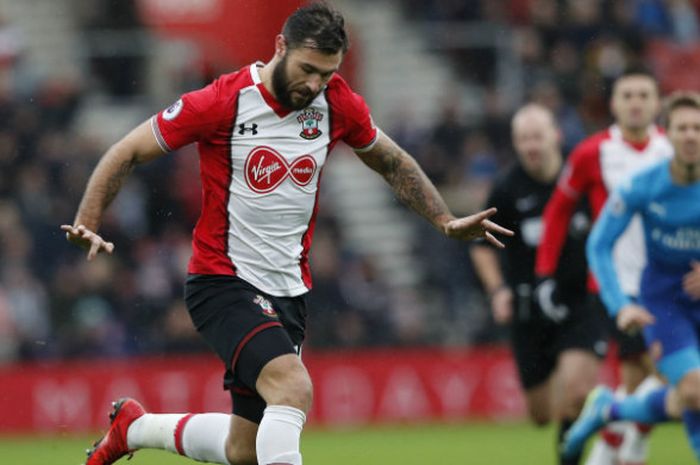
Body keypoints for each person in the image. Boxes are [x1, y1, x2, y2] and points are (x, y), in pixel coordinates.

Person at [60, 4, 513, 465]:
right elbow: (127, 150)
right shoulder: (224, 100)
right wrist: (89, 219)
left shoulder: (336, 102)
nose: (315, 84)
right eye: (308, 70)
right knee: (293, 387)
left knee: (245, 450)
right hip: (223, 280)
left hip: (289, 292)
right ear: (280, 47)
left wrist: (443, 219)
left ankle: (134, 428)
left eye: (327, 73)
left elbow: (390, 159)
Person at [534, 67, 673, 464]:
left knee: (643, 377)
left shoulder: (674, 152)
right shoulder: (592, 153)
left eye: (643, 95)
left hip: (666, 282)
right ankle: (630, 447)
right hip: (616, 285)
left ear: (657, 103)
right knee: (663, 371)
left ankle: (611, 444)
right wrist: (545, 273)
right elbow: (558, 211)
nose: (635, 103)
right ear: (613, 104)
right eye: (627, 95)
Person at [561, 91, 700, 462]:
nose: (690, 136)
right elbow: (599, 245)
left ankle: (610, 411)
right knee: (694, 391)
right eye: (682, 128)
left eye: (698, 129)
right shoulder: (643, 185)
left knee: (690, 395)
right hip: (665, 304)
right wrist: (620, 305)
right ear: (666, 135)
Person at [471, 104, 606, 465]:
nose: (532, 145)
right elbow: (481, 249)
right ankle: (592, 411)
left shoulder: (583, 181)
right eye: (523, 139)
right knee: (542, 414)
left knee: (575, 394)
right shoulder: (507, 190)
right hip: (529, 308)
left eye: (538, 136)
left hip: (581, 301)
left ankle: (588, 430)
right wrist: (498, 291)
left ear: (556, 136)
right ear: (515, 143)